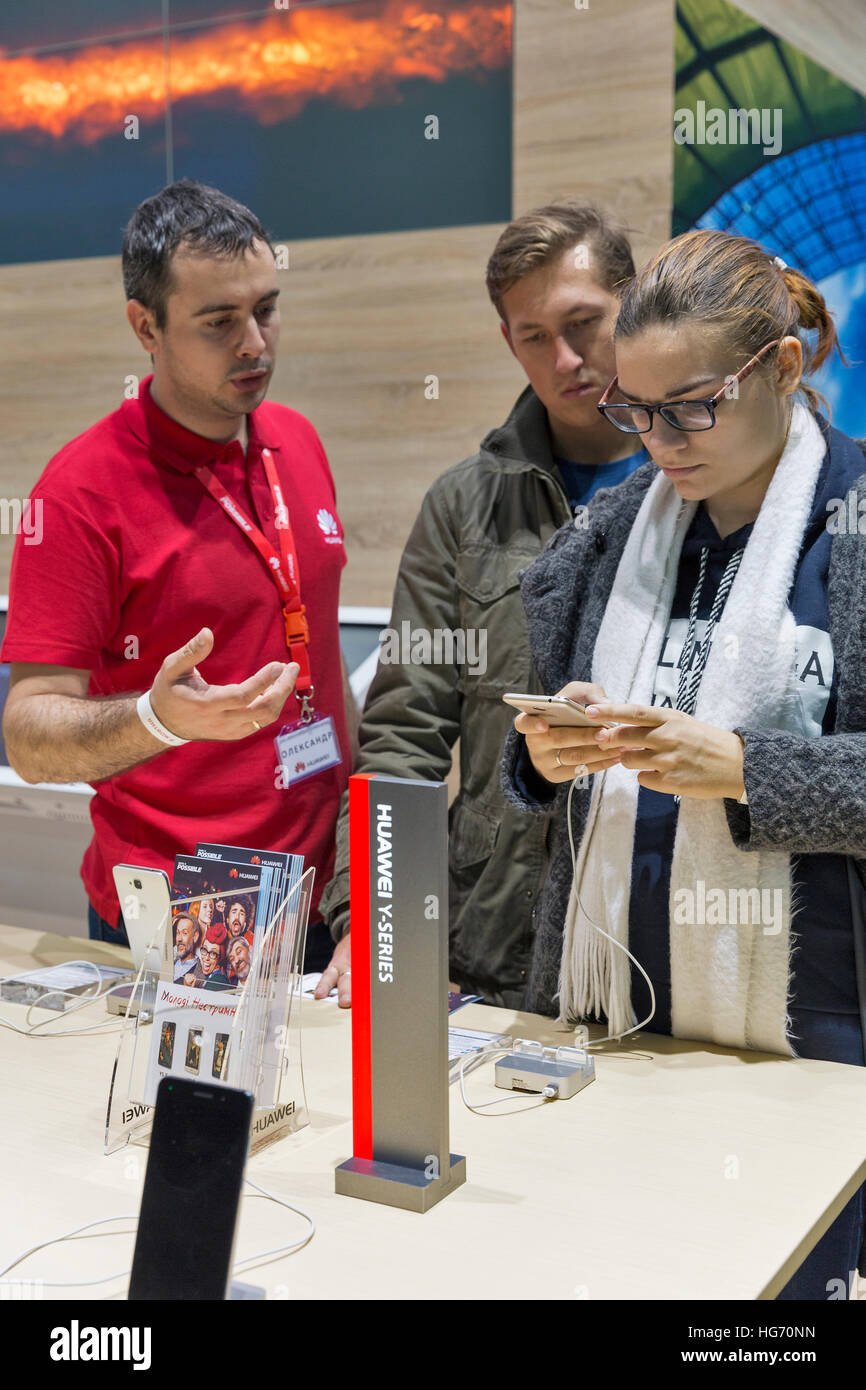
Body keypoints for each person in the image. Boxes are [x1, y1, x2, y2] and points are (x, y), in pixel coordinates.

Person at [501, 228, 866, 1299]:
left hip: (816, 1039)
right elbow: (530, 783)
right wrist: (546, 754)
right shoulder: (611, 532)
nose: (658, 439)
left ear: (784, 369)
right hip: (612, 1020)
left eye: (690, 405)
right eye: (633, 408)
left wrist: (749, 764)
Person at [1, 180, 357, 972]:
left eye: (265, 309)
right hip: (182, 906)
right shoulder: (80, 492)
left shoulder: (294, 441)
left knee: (328, 1100)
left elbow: (324, 662)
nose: (256, 344)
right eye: (219, 322)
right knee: (195, 1104)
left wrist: (361, 879)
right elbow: (27, 734)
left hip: (320, 896)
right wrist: (158, 720)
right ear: (146, 327)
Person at [317, 200, 649, 1007]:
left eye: (585, 323)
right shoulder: (464, 506)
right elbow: (404, 732)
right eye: (534, 336)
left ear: (634, 305)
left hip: (657, 931)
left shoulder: (702, 483)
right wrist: (370, 917)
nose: (566, 358)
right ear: (508, 341)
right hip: (498, 941)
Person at [185, 925, 231, 991]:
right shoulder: (206, 973)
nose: (206, 957)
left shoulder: (219, 981)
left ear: (220, 957)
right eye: (204, 950)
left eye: (213, 953)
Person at [172, 913, 201, 983]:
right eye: (177, 933)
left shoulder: (200, 974)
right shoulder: (170, 963)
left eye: (184, 933)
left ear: (195, 937)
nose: (179, 939)